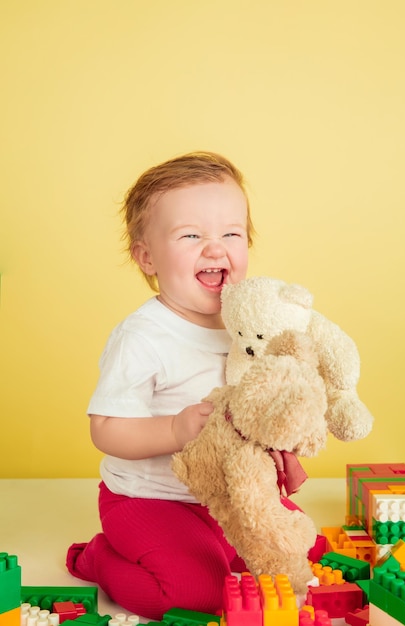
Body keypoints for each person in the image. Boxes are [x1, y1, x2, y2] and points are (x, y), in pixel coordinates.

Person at [66, 151, 255, 620]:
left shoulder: (247, 326)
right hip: (148, 500)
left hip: (220, 498)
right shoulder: (143, 336)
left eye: (231, 233)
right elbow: (106, 427)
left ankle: (215, 545)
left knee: (290, 555)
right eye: (191, 235)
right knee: (199, 595)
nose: (215, 248)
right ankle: (99, 558)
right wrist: (174, 430)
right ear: (146, 256)